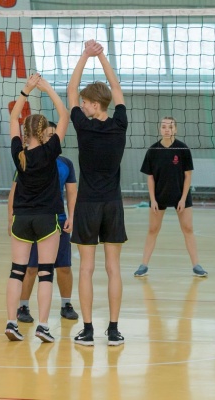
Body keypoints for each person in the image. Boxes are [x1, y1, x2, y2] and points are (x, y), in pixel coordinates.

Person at [67, 40, 128, 347]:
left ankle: (88, 330)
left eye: (85, 102)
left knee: (86, 268)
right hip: (113, 204)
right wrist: (102, 56)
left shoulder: (84, 127)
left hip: (88, 205)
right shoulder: (120, 124)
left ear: (93, 105)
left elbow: (70, 89)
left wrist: (85, 55)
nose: (81, 105)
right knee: (113, 268)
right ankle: (113, 330)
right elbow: (116, 89)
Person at [5, 73, 70, 343]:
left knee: (16, 271)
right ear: (44, 133)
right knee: (45, 272)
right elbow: (64, 115)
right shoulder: (51, 150)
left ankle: (11, 322)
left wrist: (26, 90)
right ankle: (43, 326)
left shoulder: (18, 153)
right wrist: (47, 88)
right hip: (46, 219)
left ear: (25, 133)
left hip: (21, 218)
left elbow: (13, 119)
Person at [7, 122, 79, 323]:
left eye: (54, 135)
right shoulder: (25, 159)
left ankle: (66, 304)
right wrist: (10, 219)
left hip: (57, 221)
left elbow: (72, 192)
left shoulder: (65, 164)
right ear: (40, 135)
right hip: (34, 220)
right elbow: (13, 193)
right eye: (48, 134)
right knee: (30, 268)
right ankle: (23, 306)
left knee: (63, 266)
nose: (51, 137)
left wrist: (72, 216)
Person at [133, 117, 208, 278]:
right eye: (164, 127)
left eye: (170, 127)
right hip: (159, 195)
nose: (167, 129)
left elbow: (188, 176)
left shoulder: (183, 149)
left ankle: (196, 265)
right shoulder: (153, 150)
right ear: (160, 129)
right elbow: (150, 177)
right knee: (153, 230)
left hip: (181, 195)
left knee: (188, 229)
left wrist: (183, 198)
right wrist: (153, 199)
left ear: (175, 129)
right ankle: (143, 265)